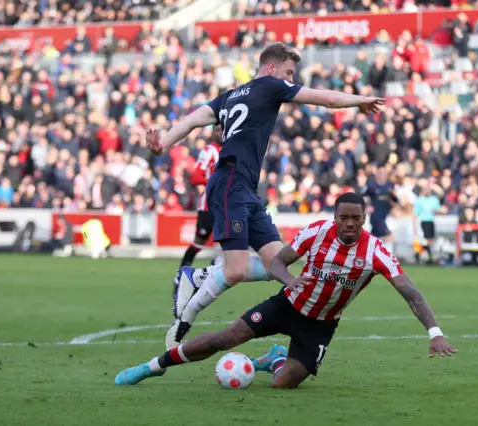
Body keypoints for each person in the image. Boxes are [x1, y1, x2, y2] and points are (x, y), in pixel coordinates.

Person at [146, 42, 384, 348]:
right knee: (235, 271)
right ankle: (189, 303)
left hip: (244, 186)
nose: (292, 79)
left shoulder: (230, 96)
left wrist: (163, 143)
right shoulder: (271, 85)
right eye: (289, 71)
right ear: (271, 67)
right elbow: (324, 99)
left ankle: (197, 284)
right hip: (230, 180)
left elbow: (191, 120)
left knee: (277, 265)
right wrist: (359, 100)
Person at [115, 193, 457, 388]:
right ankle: (151, 367)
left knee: (284, 385)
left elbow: (411, 293)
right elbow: (277, 262)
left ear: (364, 219)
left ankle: (273, 361)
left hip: (321, 324)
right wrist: (289, 281)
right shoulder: (316, 232)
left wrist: (435, 333)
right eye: (344, 217)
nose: (350, 224)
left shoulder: (376, 253)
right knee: (224, 338)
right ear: (335, 217)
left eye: (356, 218)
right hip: (287, 305)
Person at [177, 140, 221, 273]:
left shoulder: (234, 148)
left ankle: (210, 274)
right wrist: (216, 180)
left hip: (227, 206)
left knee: (229, 245)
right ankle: (181, 274)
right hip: (208, 205)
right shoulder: (210, 150)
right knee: (198, 243)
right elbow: (195, 177)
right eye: (217, 129)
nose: (220, 133)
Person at [362, 165, 397, 247]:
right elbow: (363, 197)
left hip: (386, 215)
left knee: (373, 240)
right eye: (380, 172)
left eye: (385, 172)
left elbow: (395, 200)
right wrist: (367, 206)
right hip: (376, 217)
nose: (383, 174)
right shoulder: (371, 185)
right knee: (388, 236)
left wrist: (394, 202)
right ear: (376, 173)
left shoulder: (390, 185)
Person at [413, 184, 441, 264]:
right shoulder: (420, 200)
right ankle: (429, 256)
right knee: (427, 239)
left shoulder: (434, 199)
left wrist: (436, 211)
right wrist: (414, 226)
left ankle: (418, 253)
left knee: (431, 240)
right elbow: (415, 213)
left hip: (431, 221)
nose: (427, 192)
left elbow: (438, 209)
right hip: (423, 221)